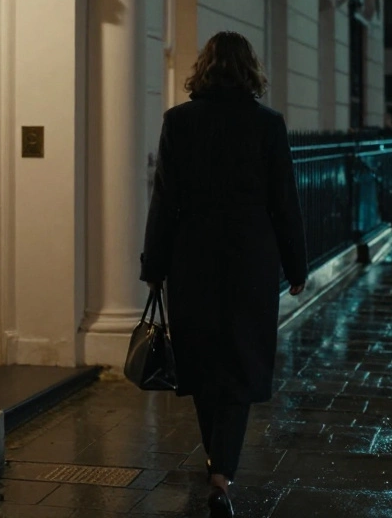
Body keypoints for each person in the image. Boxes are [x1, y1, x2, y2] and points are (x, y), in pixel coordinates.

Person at [139, 30, 309, 518]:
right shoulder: (268, 124)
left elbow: (164, 201)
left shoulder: (179, 122)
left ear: (205, 68)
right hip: (250, 263)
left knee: (204, 363)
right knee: (240, 364)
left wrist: (154, 266)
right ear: (250, 69)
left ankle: (217, 461)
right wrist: (296, 265)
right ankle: (221, 474)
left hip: (192, 263)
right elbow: (284, 203)